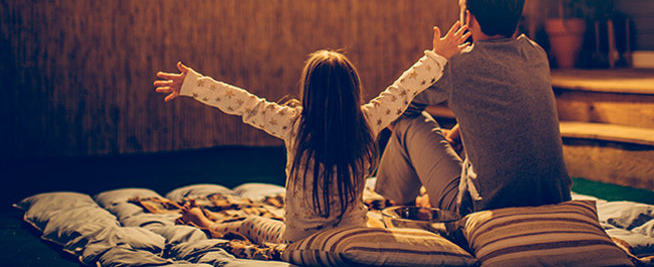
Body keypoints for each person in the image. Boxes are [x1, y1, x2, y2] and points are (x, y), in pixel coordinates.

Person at [153, 22, 470, 244]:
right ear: (352, 89)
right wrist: (438, 56)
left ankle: (209, 224)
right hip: (352, 233)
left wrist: (193, 85)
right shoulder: (368, 120)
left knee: (251, 224)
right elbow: (403, 90)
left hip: (299, 238)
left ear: (309, 91)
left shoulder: (294, 124)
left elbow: (245, 104)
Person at [375, 0, 573, 216]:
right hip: (554, 199)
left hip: (483, 210)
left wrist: (437, 57)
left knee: (409, 123)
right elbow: (507, 111)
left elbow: (398, 109)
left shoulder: (459, 65)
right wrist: (455, 135)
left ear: (468, 18)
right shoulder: (535, 53)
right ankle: (402, 201)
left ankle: (395, 206)